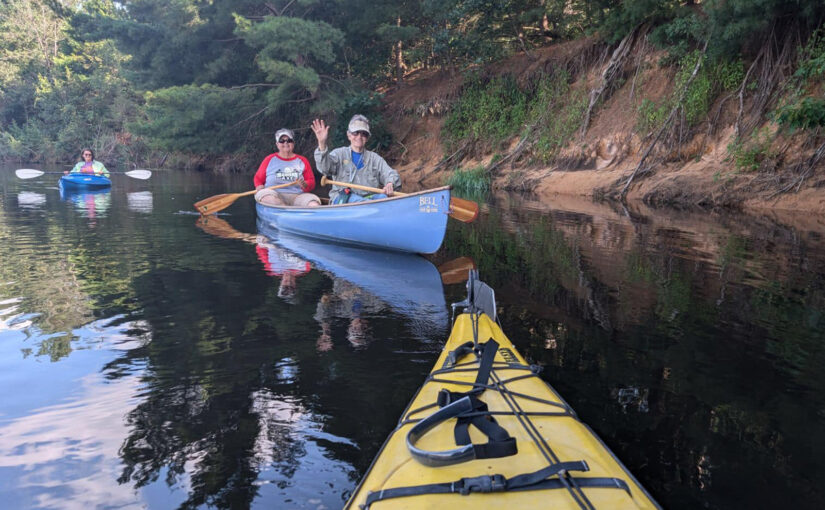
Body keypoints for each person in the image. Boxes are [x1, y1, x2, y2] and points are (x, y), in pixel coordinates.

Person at [311, 115, 401, 204]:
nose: (359, 137)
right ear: (349, 135)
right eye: (355, 133)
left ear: (367, 138)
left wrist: (390, 183)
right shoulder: (338, 154)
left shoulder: (375, 159)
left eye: (364, 134)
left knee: (383, 197)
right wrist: (321, 143)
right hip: (343, 198)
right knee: (359, 201)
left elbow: (390, 174)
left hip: (369, 198)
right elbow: (324, 169)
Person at [254, 128, 321, 207]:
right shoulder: (269, 159)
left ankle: (292, 212)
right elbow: (258, 178)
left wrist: (305, 184)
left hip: (297, 196)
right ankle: (286, 210)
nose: (285, 143)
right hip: (273, 194)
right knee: (267, 198)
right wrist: (259, 186)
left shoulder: (302, 160)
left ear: (293, 143)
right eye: (282, 141)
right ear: (277, 144)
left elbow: (311, 182)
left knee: (313, 204)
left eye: (289, 140)